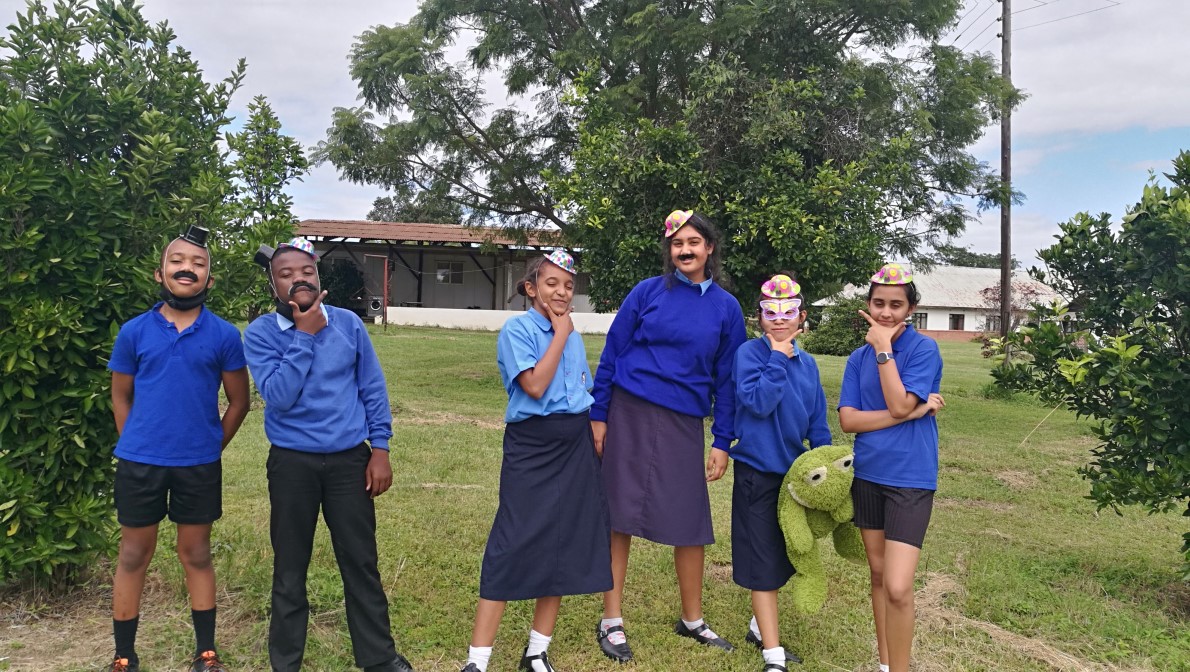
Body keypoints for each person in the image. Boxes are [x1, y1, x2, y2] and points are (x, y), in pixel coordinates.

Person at [243, 237, 414, 672]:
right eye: (285, 274)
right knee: (290, 567)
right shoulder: (261, 333)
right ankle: (286, 663)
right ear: (273, 286)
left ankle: (378, 658)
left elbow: (371, 388)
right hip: (292, 464)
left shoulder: (348, 324)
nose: (298, 279)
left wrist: (380, 448)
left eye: (306, 271)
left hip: (349, 462)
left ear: (318, 277)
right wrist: (304, 335)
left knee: (360, 562)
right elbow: (278, 396)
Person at [590, 210, 747, 662]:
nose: (685, 250)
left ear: (709, 248)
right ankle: (611, 619)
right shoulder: (647, 292)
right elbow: (613, 352)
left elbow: (728, 381)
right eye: (677, 243)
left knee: (690, 521)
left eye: (693, 242)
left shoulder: (726, 308)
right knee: (619, 516)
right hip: (629, 413)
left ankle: (692, 619)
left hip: (683, 423)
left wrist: (722, 441)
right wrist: (599, 414)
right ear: (669, 250)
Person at [106, 225, 251, 672]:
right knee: (133, 554)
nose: (187, 268)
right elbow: (120, 395)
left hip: (198, 464)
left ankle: (206, 653)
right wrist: (134, 442)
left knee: (197, 553)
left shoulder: (224, 335)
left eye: (198, 263)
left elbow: (239, 401)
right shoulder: (134, 332)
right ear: (159, 273)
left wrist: (211, 446)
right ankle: (124, 655)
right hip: (140, 463)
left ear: (209, 278)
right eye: (177, 261)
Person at [460, 250, 612, 672]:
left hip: (575, 443)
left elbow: (582, 390)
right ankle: (478, 660)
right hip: (532, 445)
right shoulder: (519, 330)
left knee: (564, 540)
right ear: (531, 288)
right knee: (512, 540)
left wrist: (594, 429)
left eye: (568, 285)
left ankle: (536, 651)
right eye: (551, 283)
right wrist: (560, 333)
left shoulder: (571, 334)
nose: (562, 292)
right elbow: (535, 386)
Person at [837, 263, 946, 672]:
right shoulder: (856, 358)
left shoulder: (923, 349)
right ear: (868, 304)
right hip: (868, 475)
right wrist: (915, 412)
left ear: (911, 309)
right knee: (879, 576)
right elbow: (849, 421)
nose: (885, 312)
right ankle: (885, 665)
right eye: (878, 303)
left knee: (899, 587)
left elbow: (899, 402)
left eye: (896, 305)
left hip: (911, 479)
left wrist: (884, 349)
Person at [731, 274, 832, 671]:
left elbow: (817, 422)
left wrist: (824, 468)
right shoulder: (748, 355)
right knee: (762, 563)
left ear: (801, 316)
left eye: (788, 312)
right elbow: (758, 402)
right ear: (758, 317)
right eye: (770, 313)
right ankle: (773, 656)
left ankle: (759, 628)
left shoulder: (809, 365)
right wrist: (777, 357)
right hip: (757, 474)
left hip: (793, 480)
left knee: (786, 554)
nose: (779, 320)